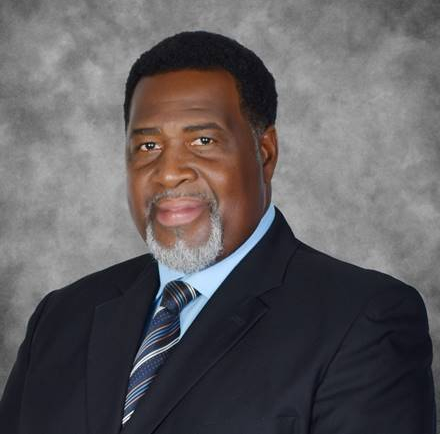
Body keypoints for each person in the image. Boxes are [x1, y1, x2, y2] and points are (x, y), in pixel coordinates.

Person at [0, 31, 435, 434]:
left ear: (265, 153)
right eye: (148, 146)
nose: (168, 172)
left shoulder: (363, 319)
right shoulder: (60, 318)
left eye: (203, 141)